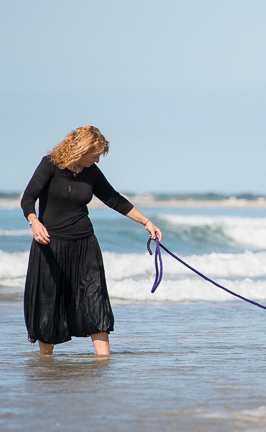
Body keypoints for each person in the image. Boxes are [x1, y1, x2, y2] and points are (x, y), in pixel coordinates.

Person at [21, 126, 161, 356]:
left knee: (94, 298)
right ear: (80, 149)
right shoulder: (50, 165)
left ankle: (103, 360)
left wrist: (147, 222)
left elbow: (115, 199)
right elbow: (28, 198)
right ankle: (46, 362)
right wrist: (34, 221)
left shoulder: (91, 172)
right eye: (94, 154)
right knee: (49, 302)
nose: (97, 159)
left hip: (85, 244)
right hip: (50, 245)